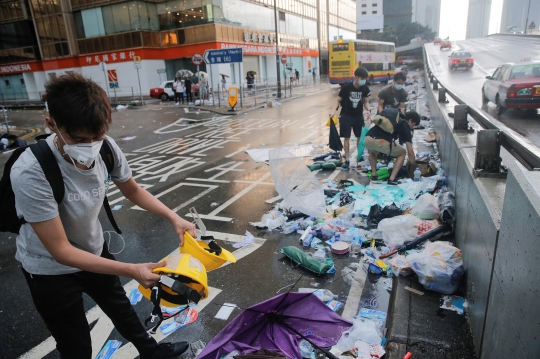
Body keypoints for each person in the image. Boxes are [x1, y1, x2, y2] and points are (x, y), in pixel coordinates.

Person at [10, 73, 196, 359]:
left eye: (97, 136)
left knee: (123, 311)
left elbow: (132, 190)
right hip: (49, 271)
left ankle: (152, 353)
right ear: (52, 124)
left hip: (94, 248)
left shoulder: (106, 148)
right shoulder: (31, 171)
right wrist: (131, 269)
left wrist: (174, 217)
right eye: (79, 138)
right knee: (76, 346)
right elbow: (60, 251)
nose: (90, 146)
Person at [330, 67, 371, 171]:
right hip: (346, 116)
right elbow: (338, 100)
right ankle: (347, 160)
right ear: (356, 77)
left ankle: (359, 157)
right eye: (362, 78)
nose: (364, 80)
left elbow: (366, 101)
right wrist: (333, 112)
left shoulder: (365, 88)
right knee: (346, 138)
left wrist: (368, 111)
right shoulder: (346, 88)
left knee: (359, 137)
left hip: (358, 116)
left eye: (365, 78)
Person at [364, 110, 420, 185]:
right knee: (402, 152)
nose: (412, 127)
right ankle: (392, 179)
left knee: (372, 150)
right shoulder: (405, 126)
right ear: (410, 121)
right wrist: (413, 167)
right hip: (380, 141)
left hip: (368, 139)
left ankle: (374, 175)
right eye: (413, 125)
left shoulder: (395, 119)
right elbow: (410, 152)